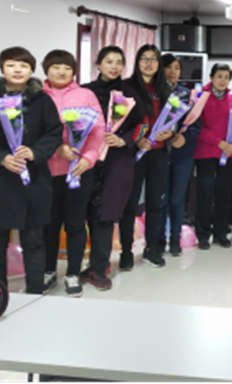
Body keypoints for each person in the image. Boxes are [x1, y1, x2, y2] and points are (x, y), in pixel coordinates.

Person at [0, 47, 63, 295]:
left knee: (34, 241)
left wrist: (35, 152)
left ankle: (35, 293)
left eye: (23, 65)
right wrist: (1, 158)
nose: (17, 70)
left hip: (33, 180)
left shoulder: (42, 100)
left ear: (31, 70)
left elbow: (54, 133)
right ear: (2, 69)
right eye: (11, 65)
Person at [41, 50, 105, 297]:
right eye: (56, 67)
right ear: (46, 70)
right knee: (49, 224)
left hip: (79, 170)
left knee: (76, 224)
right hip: (45, 172)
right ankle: (48, 271)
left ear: (73, 71)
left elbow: (98, 130)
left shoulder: (86, 95)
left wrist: (88, 159)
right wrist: (55, 148)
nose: (61, 72)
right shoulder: (37, 96)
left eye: (67, 67)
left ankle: (72, 273)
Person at [81, 46, 145, 290]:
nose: (115, 66)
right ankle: (87, 265)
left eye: (119, 62)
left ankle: (99, 269)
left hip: (116, 162)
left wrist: (123, 140)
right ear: (98, 64)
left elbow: (143, 125)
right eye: (109, 61)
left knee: (105, 216)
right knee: (84, 214)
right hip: (86, 160)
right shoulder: (85, 91)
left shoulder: (129, 94)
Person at [123, 45, 174, 269]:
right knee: (130, 202)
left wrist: (170, 132)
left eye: (153, 59)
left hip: (159, 152)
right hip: (134, 153)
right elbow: (120, 120)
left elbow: (173, 118)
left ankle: (151, 248)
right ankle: (126, 251)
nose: (149, 63)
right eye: (144, 58)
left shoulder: (165, 89)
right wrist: (136, 139)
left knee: (155, 202)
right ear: (137, 62)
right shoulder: (127, 87)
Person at [192, 64, 232, 250]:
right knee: (204, 193)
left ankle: (221, 233)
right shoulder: (201, 98)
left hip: (228, 154)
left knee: (224, 193)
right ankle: (203, 234)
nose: (222, 80)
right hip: (206, 152)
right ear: (211, 77)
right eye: (219, 76)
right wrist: (219, 142)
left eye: (226, 77)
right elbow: (197, 126)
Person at [157, 54, 202, 256]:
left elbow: (197, 123)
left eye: (177, 68)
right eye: (169, 67)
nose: (173, 71)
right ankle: (158, 239)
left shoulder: (188, 95)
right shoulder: (155, 92)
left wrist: (184, 137)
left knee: (177, 198)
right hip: (158, 152)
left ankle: (175, 238)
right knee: (160, 199)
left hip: (182, 153)